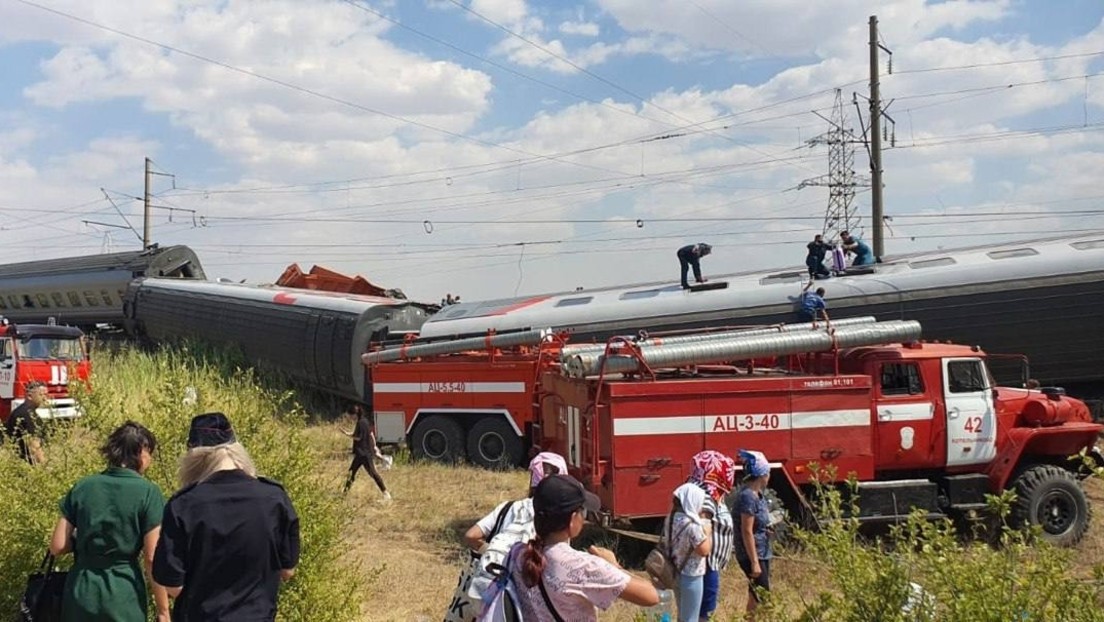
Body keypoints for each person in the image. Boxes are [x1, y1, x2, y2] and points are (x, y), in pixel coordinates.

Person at [153, 413, 300, 622]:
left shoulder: (182, 506)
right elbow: (287, 571)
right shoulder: (275, 498)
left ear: (193, 454)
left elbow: (173, 585)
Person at [50, 422, 169, 622]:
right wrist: (163, 610)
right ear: (141, 451)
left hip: (81, 590)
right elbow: (151, 557)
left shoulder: (84, 486)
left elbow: (57, 546)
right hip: (123, 593)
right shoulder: (149, 492)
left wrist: (81, 541)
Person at [513, 474, 659, 620]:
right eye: (583, 511)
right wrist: (614, 566)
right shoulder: (583, 566)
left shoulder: (517, 554)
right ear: (572, 520)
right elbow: (651, 596)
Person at [447, 452, 569, 622]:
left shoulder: (508, 507)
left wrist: (496, 552)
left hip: (490, 587)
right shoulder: (559, 519)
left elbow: (471, 536)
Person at [688, 451, 736, 622]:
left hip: (707, 564)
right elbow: (700, 534)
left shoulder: (706, 493)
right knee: (701, 615)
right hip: (703, 566)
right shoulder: (706, 497)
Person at [663, 483, 712, 622]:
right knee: (691, 617)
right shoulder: (693, 526)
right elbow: (704, 550)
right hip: (692, 576)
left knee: (682, 614)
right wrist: (707, 532)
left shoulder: (671, 519)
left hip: (675, 571)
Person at [735, 450, 773, 615]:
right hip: (753, 554)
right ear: (762, 474)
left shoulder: (759, 496)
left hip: (762, 550)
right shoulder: (748, 497)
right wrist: (754, 562)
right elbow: (746, 531)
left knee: (755, 593)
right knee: (764, 596)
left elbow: (757, 524)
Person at [341, 405, 390, 500]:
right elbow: (370, 434)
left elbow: (358, 437)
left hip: (363, 453)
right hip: (361, 453)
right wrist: (374, 446)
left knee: (373, 473)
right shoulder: (365, 422)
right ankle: (344, 493)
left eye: (351, 416)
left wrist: (348, 435)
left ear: (355, 414)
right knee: (351, 472)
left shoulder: (360, 423)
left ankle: (386, 493)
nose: (350, 418)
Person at [5, 380, 48, 465]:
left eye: (46, 395)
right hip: (26, 465)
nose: (45, 398)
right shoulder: (26, 414)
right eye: (41, 395)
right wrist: (45, 467)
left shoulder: (26, 411)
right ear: (29, 396)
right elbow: (34, 445)